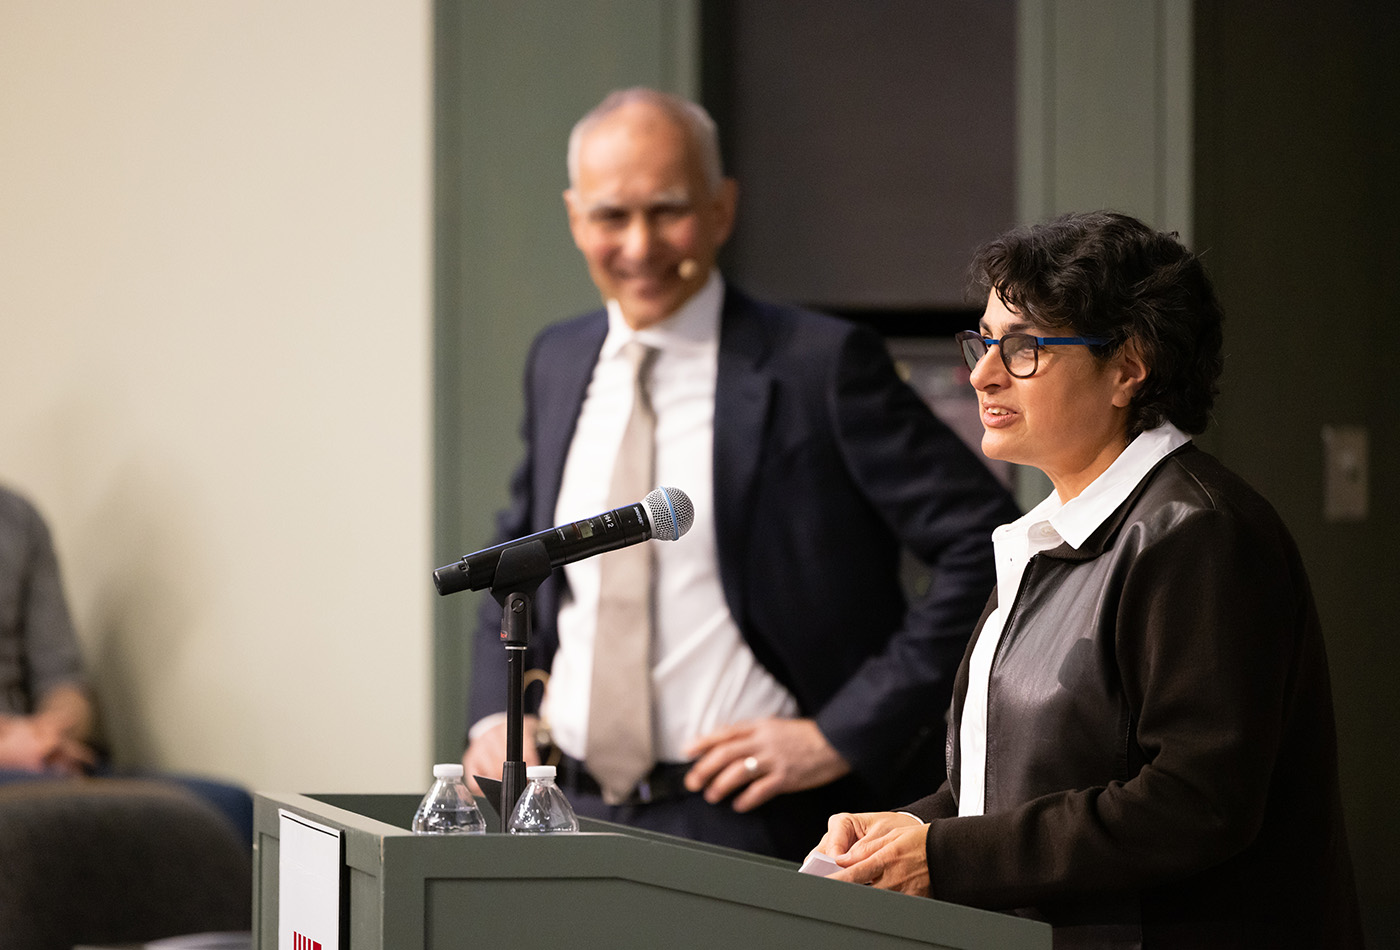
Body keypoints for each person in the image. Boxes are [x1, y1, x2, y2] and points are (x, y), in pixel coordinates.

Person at [461, 87, 1019, 861]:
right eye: (610, 216)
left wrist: (842, 732)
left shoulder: (819, 365)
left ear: (723, 209)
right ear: (573, 217)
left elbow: (983, 544)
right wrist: (496, 717)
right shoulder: (557, 360)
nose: (639, 244)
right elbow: (516, 556)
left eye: (667, 210)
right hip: (566, 810)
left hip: (753, 825)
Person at [812, 211, 1362, 947]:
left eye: (1024, 348)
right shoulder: (1049, 534)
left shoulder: (1198, 534)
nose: (981, 373)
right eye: (983, 341)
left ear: (1128, 369)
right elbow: (1029, 776)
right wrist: (913, 829)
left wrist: (944, 857)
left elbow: (1195, 802)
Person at [0, 483, 253, 847]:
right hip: (22, 767)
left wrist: (50, 734)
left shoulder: (19, 519)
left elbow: (64, 682)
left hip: (39, 759)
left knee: (229, 809)